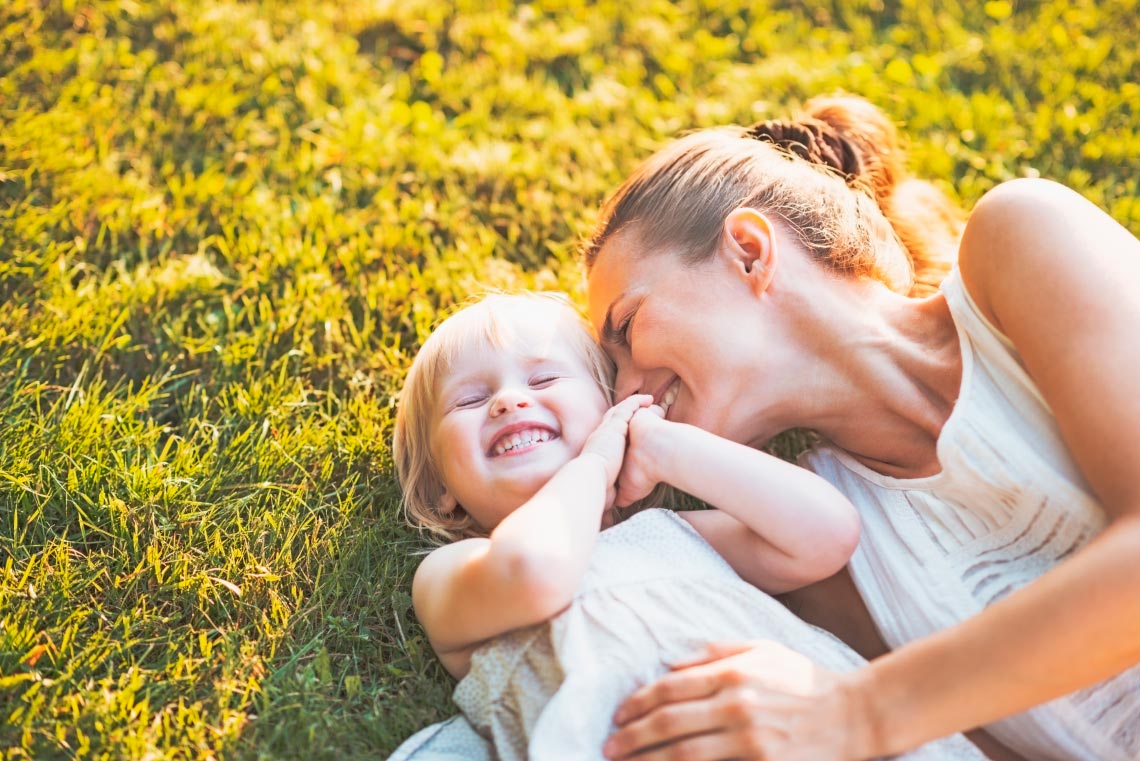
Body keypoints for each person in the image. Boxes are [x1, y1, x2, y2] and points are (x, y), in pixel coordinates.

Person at [583, 94, 1140, 761]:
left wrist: (861, 710)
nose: (625, 389)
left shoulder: (1023, 238)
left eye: (627, 327)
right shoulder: (821, 556)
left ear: (750, 252)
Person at [385, 292, 983, 760]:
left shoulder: (674, 534)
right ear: (445, 496)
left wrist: (665, 447)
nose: (509, 403)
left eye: (543, 381)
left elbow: (827, 533)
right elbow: (537, 571)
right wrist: (595, 463)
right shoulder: (455, 573)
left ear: (607, 409)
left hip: (804, 729)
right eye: (468, 401)